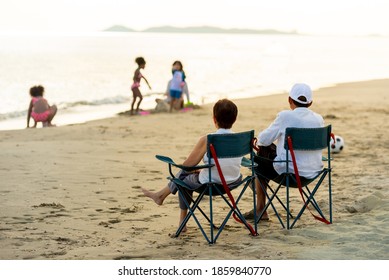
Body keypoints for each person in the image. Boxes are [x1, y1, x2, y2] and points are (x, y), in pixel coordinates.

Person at [142, 99, 242, 232]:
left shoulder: (208, 139)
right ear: (234, 119)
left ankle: (177, 216)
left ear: (214, 119)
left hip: (211, 184)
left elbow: (187, 166)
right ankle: (160, 196)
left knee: (183, 178)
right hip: (234, 181)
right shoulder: (240, 139)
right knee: (189, 174)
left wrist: (194, 169)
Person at [246, 83, 324, 221]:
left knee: (260, 158)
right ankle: (258, 184)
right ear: (310, 102)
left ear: (289, 100)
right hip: (312, 173)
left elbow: (263, 140)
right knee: (268, 156)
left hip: (290, 173)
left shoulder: (285, 116)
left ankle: (260, 207)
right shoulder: (318, 119)